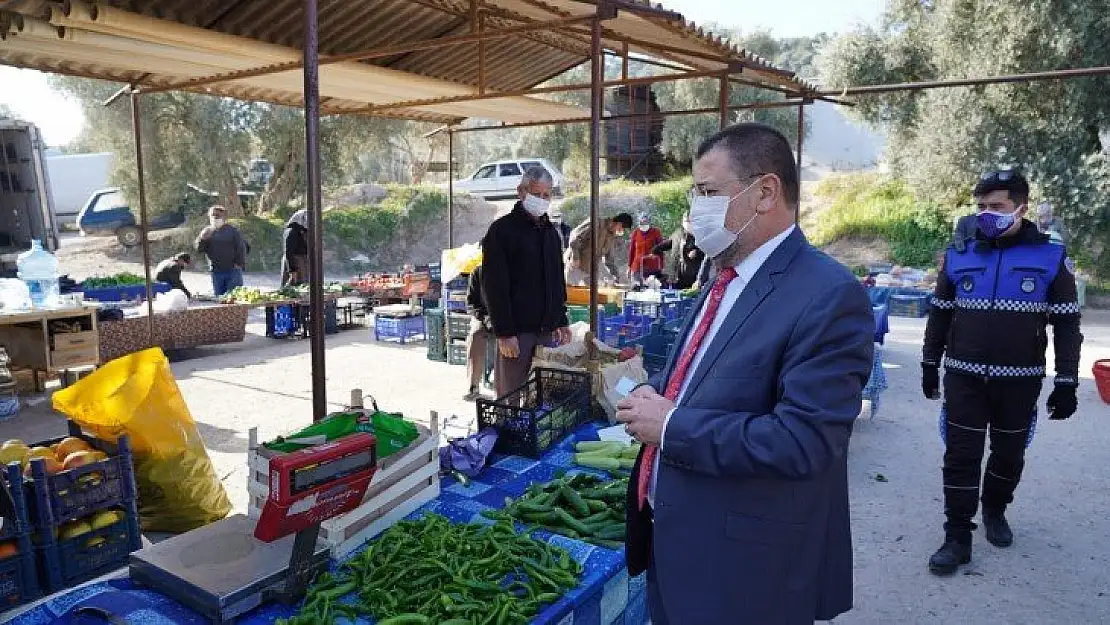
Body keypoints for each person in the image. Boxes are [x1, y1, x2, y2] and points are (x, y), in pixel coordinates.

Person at [616, 122, 874, 625]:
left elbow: (805, 440)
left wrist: (671, 426)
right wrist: (656, 394)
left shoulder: (828, 295)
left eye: (709, 192)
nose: (695, 211)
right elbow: (709, 378)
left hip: (741, 569)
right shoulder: (722, 274)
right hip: (676, 541)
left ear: (765, 193)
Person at [922, 169, 1083, 576]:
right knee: (960, 456)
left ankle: (995, 507)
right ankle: (957, 536)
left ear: (1021, 208)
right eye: (981, 207)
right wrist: (929, 362)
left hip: (1020, 380)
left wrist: (1066, 381)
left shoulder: (1050, 255)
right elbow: (939, 315)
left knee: (1009, 456)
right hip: (964, 377)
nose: (986, 214)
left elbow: (1066, 322)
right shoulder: (959, 252)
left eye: (997, 207)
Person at [481, 166, 572, 397]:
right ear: (521, 192)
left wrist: (561, 319)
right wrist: (504, 333)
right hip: (517, 334)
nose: (542, 200)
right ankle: (506, 434)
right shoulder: (501, 231)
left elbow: (557, 279)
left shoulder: (551, 233)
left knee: (541, 397)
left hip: (546, 332)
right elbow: (494, 286)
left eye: (547, 195)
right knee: (510, 398)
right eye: (537, 194)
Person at [564, 212, 633, 286]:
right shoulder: (595, 223)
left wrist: (616, 276)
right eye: (622, 228)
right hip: (575, 267)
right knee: (570, 293)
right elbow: (575, 237)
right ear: (619, 223)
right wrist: (575, 257)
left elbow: (609, 260)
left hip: (591, 271)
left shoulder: (611, 237)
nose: (622, 231)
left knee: (591, 295)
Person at [195, 205, 249, 296]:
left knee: (235, 298)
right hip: (216, 271)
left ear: (224, 218)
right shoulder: (206, 232)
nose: (215, 218)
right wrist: (202, 239)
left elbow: (241, 248)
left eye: (218, 216)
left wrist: (239, 264)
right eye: (213, 215)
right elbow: (199, 249)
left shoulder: (232, 231)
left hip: (233, 270)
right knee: (220, 299)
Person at [651, 212, 704, 289]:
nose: (688, 223)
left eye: (690, 221)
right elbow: (668, 244)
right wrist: (654, 250)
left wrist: (698, 252)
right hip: (677, 276)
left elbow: (708, 251)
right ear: (682, 221)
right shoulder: (678, 233)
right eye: (686, 221)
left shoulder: (699, 234)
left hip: (694, 276)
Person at [463, 265, 490, 402]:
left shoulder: (510, 270)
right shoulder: (477, 272)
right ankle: (473, 386)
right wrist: (484, 317)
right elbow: (471, 304)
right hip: (483, 317)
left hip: (506, 318)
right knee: (475, 335)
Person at [628, 211, 664, 283]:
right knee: (637, 289)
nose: (644, 224)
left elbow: (661, 249)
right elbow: (631, 251)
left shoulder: (656, 232)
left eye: (646, 222)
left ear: (649, 222)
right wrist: (629, 267)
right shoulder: (635, 233)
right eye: (642, 222)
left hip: (652, 267)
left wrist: (661, 266)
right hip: (637, 267)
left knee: (651, 290)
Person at [282, 209, 310, 286]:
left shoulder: (303, 230)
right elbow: (289, 252)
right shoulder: (292, 231)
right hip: (295, 263)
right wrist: (292, 271)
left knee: (303, 287)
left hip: (302, 263)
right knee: (293, 288)